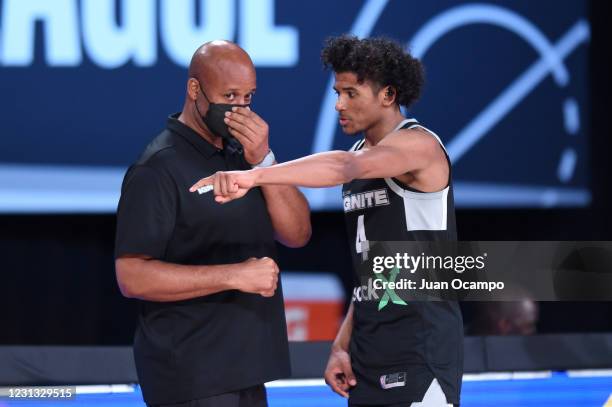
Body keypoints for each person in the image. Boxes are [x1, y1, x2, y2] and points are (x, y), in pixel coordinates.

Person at [190, 35, 463, 407]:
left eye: (351, 93)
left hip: (422, 348)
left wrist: (255, 174)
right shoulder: (359, 154)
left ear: (388, 94)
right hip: (369, 349)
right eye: (337, 92)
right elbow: (374, 272)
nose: (339, 104)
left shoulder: (420, 146)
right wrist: (342, 342)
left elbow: (341, 166)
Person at [114, 40, 311, 407]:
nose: (239, 109)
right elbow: (132, 276)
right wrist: (233, 275)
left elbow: (298, 233)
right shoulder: (158, 167)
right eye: (229, 95)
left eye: (248, 98)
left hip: (248, 369)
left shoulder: (244, 155)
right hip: (192, 376)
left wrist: (265, 162)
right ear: (195, 90)